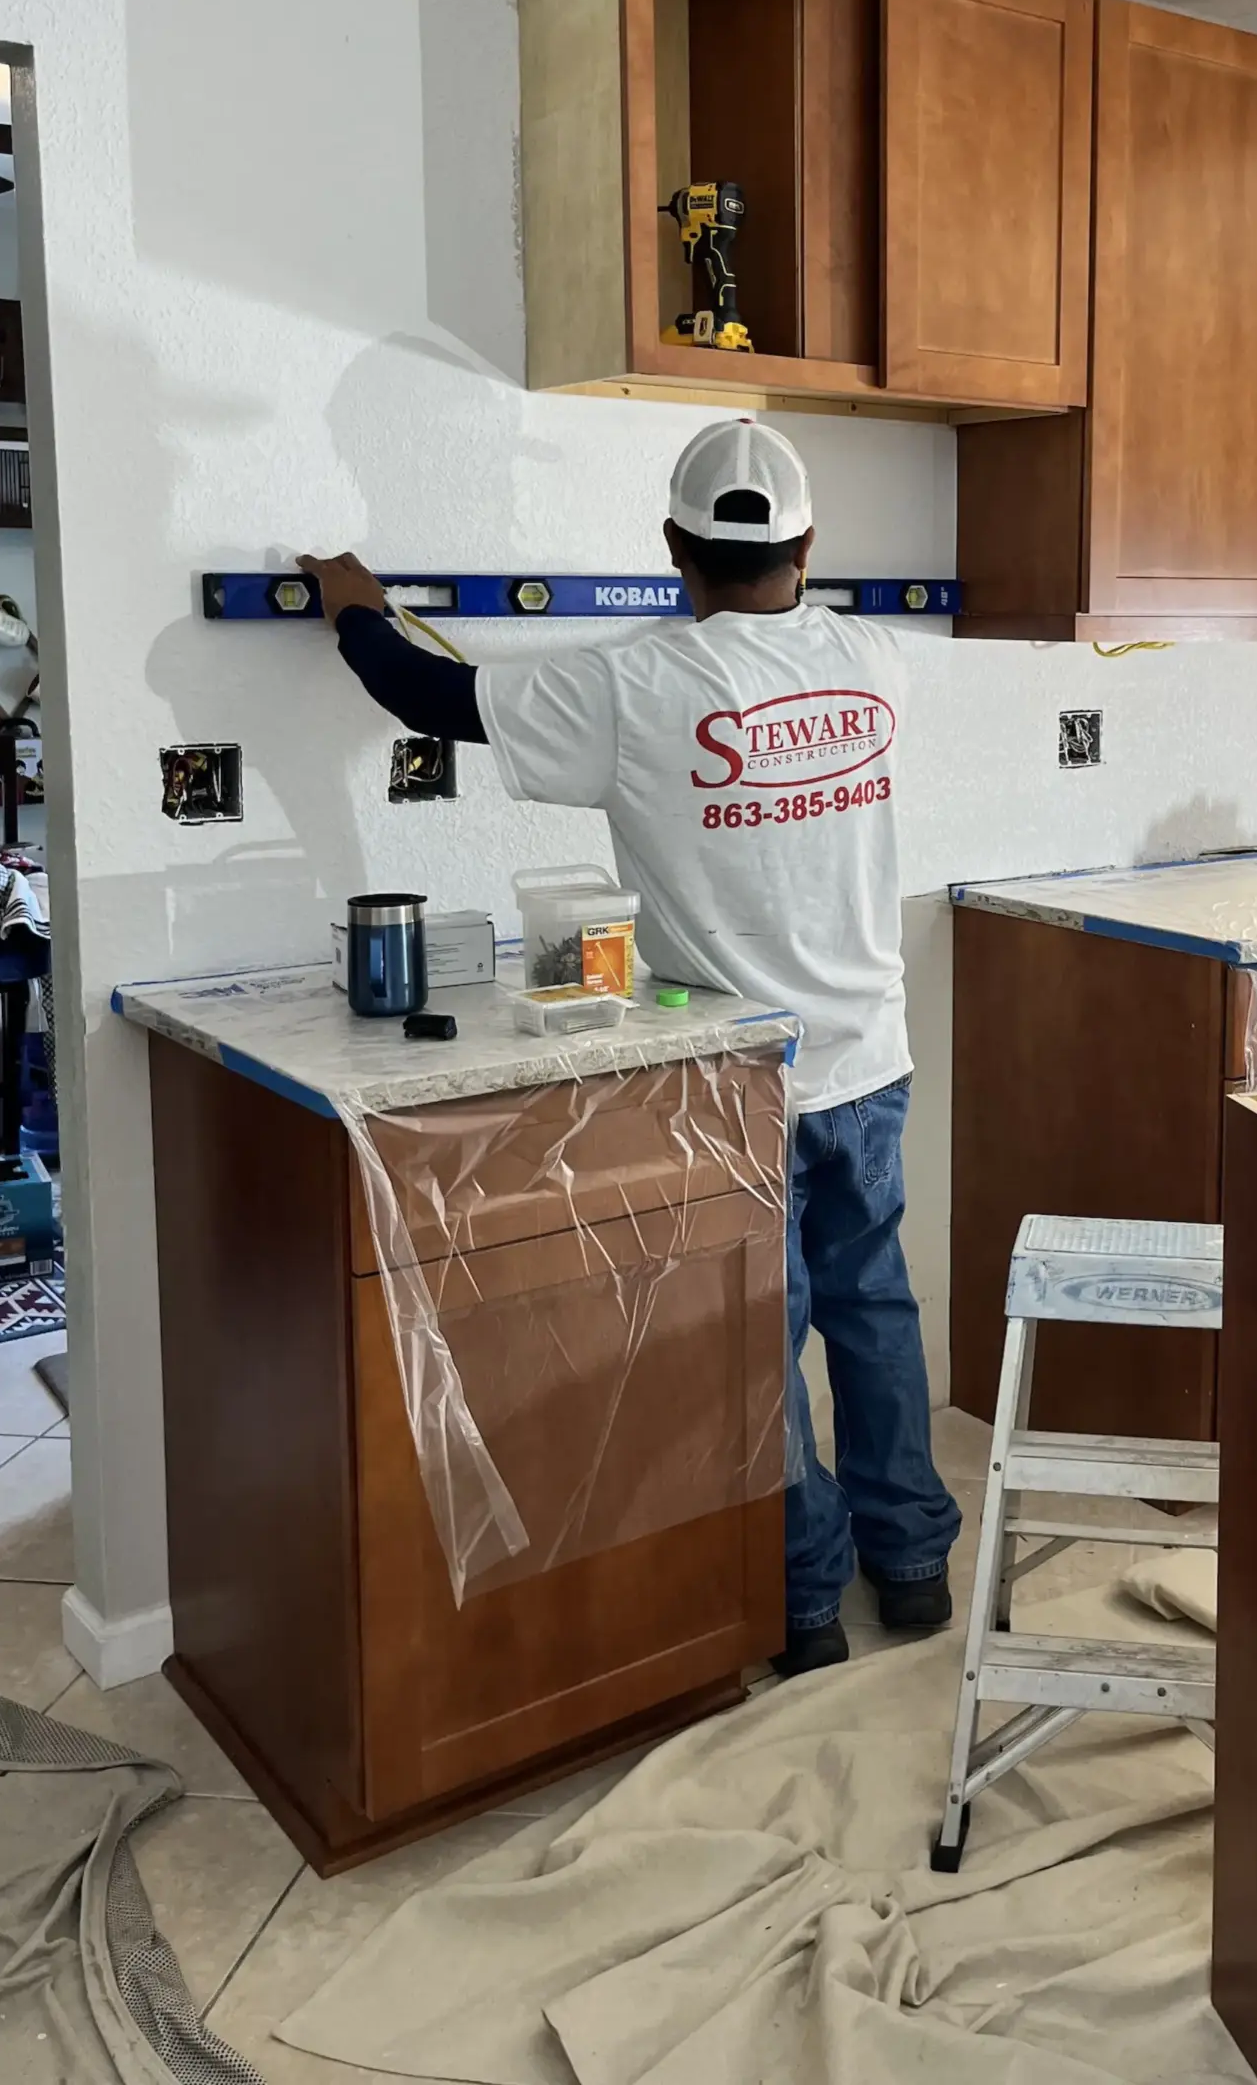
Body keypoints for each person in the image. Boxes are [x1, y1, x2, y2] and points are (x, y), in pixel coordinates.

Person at [299, 416, 960, 1673]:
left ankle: (803, 1602)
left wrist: (353, 609)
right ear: (807, 546)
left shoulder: (632, 687)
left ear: (672, 545)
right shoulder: (875, 658)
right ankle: (913, 1564)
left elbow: (429, 696)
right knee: (872, 1304)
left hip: (739, 1077)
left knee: (758, 1335)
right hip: (872, 1057)